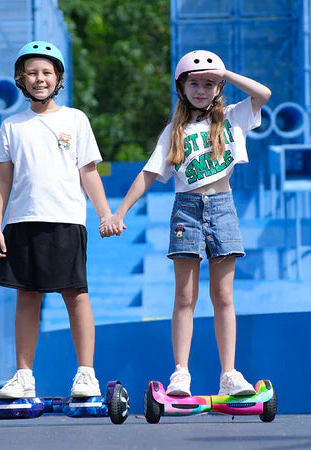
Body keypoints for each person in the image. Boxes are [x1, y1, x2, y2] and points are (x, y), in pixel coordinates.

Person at [101, 50, 271, 396]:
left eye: (209, 84)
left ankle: (230, 374)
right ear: (182, 87)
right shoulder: (174, 131)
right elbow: (148, 174)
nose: (201, 90)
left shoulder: (232, 118)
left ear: (219, 87)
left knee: (223, 296)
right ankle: (181, 372)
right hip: (186, 210)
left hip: (223, 207)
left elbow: (263, 94)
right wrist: (119, 214)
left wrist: (225, 72)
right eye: (194, 84)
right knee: (184, 297)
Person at [0, 40, 120, 399]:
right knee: (27, 297)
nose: (39, 79)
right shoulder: (11, 126)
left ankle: (86, 374)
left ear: (59, 78)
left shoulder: (75, 119)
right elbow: (3, 179)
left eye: (47, 72)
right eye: (31, 73)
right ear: (21, 79)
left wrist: (105, 213)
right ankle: (24, 375)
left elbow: (89, 172)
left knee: (76, 295)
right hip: (21, 223)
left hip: (65, 220)